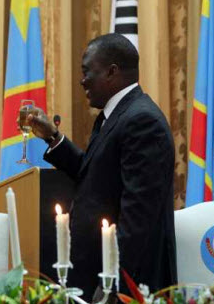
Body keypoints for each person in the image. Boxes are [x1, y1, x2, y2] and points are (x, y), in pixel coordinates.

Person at [28, 33, 177, 299]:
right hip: (98, 272)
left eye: (87, 71)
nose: (82, 80)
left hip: (125, 285)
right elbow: (94, 176)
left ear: (112, 72)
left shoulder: (142, 121)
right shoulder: (115, 115)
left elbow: (138, 217)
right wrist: (53, 137)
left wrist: (112, 283)